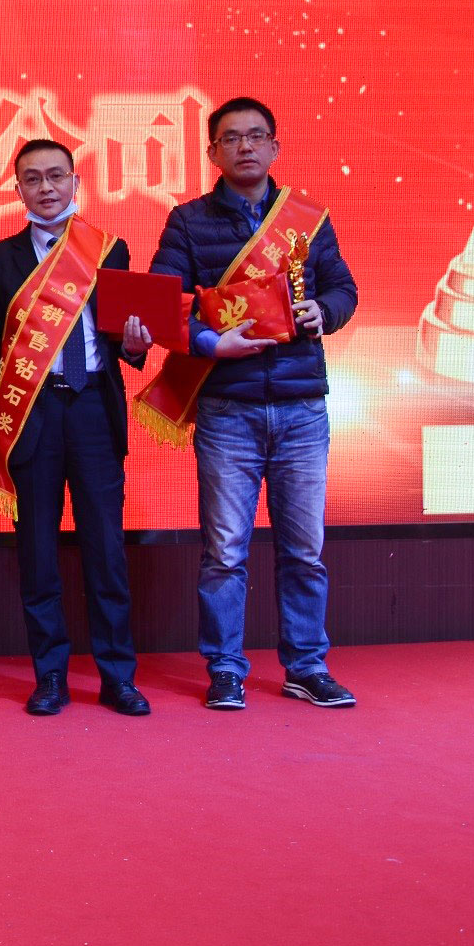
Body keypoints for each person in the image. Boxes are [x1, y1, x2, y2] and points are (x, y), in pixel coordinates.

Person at [143, 96, 359, 711]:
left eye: (256, 136)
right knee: (225, 552)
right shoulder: (188, 222)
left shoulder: (307, 220)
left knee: (304, 551)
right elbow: (162, 303)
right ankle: (225, 668)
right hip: (227, 409)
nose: (245, 147)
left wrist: (325, 311)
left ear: (274, 147)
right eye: (232, 138)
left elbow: (343, 288)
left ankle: (307, 666)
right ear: (212, 152)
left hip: (301, 407)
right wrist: (212, 343)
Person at [0, 139, 153, 717]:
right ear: (16, 189)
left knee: (106, 551)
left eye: (55, 176)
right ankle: (50, 675)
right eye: (32, 179)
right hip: (32, 417)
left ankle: (117, 676)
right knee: (37, 552)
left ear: (76, 182)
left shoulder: (108, 249)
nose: (45, 188)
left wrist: (137, 345)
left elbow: (121, 339)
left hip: (93, 410)